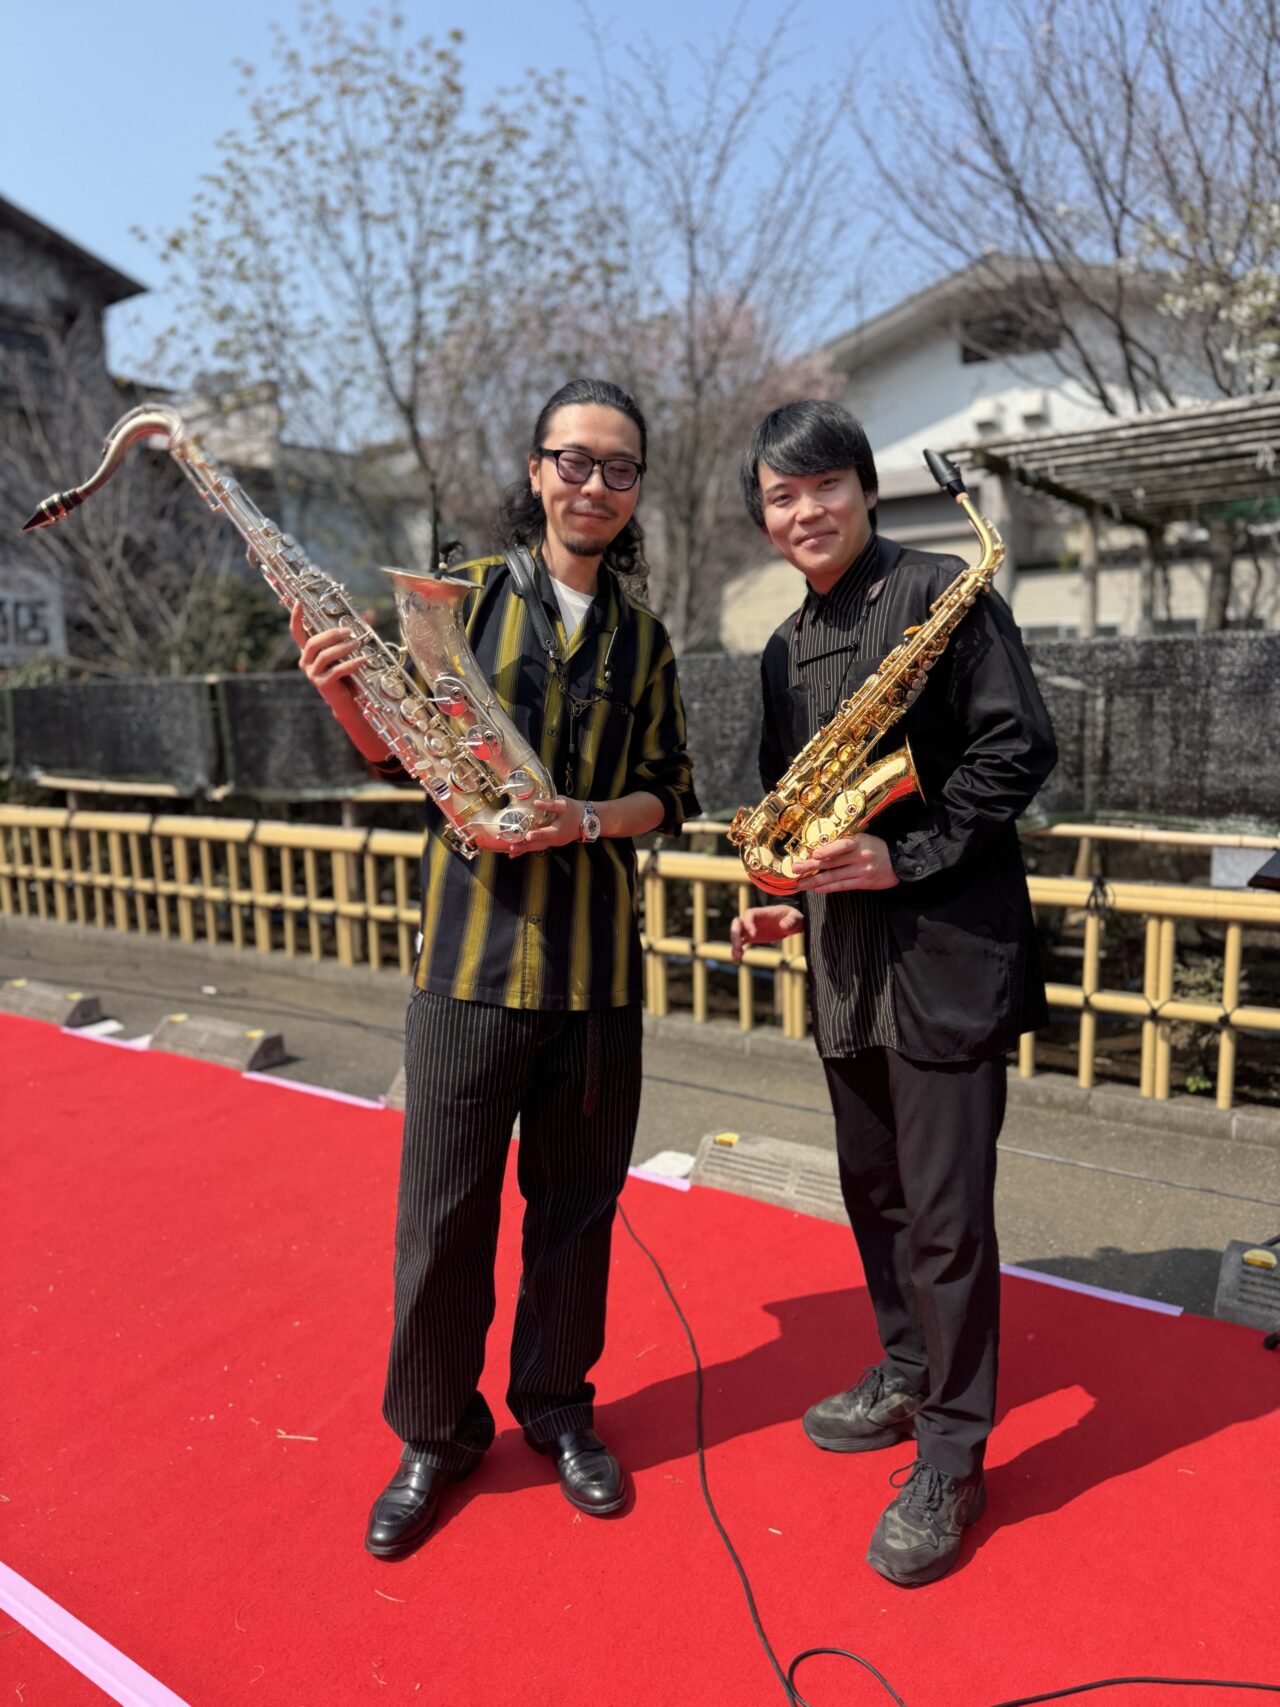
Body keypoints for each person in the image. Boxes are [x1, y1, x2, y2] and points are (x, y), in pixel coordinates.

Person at [293, 378, 700, 1559]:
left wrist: (585, 817)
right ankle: (433, 1432)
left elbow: (670, 795)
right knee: (443, 1218)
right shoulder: (453, 604)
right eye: (572, 461)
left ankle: (558, 1409)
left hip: (596, 980)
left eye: (617, 469)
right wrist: (338, 690)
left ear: (633, 495)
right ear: (534, 472)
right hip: (466, 972)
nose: (592, 485)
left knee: (576, 1215)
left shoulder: (647, 638)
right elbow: (395, 763)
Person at [730, 399, 1056, 1587]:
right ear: (763, 518)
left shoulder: (941, 600)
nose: (802, 510)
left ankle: (952, 1455)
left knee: (945, 1215)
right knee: (872, 1193)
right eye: (779, 496)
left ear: (864, 490)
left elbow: (1017, 749)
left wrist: (902, 853)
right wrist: (777, 895)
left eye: (822, 486)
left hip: (945, 953)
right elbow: (785, 810)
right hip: (841, 965)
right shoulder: (780, 651)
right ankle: (908, 1367)